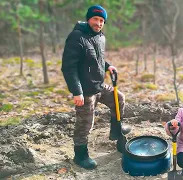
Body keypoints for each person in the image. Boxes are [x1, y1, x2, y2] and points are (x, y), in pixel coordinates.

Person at [61, 5, 131, 169]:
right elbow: (69, 68)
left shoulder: (100, 37)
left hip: (99, 86)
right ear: (88, 19)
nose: (98, 23)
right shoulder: (76, 37)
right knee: (85, 125)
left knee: (119, 98)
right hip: (85, 91)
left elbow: (96, 59)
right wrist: (77, 91)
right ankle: (80, 155)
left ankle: (116, 131)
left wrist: (108, 66)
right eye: (95, 19)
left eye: (101, 21)